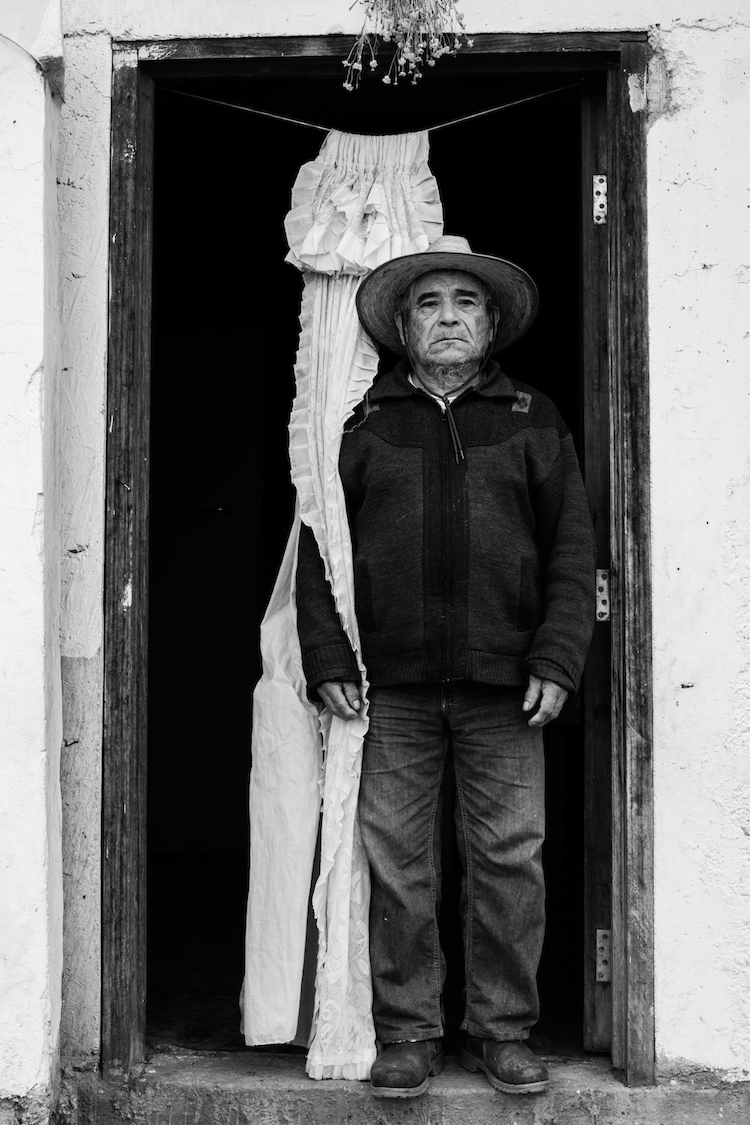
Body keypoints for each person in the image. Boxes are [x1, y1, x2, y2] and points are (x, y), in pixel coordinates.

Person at [295, 235, 595, 1098]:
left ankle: (502, 1029)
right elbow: (319, 547)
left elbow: (573, 551)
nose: (450, 317)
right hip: (389, 682)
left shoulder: (531, 418)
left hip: (509, 684)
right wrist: (326, 654)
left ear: (493, 323)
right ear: (401, 324)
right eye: (430, 303)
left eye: (467, 302)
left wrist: (559, 654)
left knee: (510, 856)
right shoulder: (363, 423)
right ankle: (409, 1034)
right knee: (399, 859)